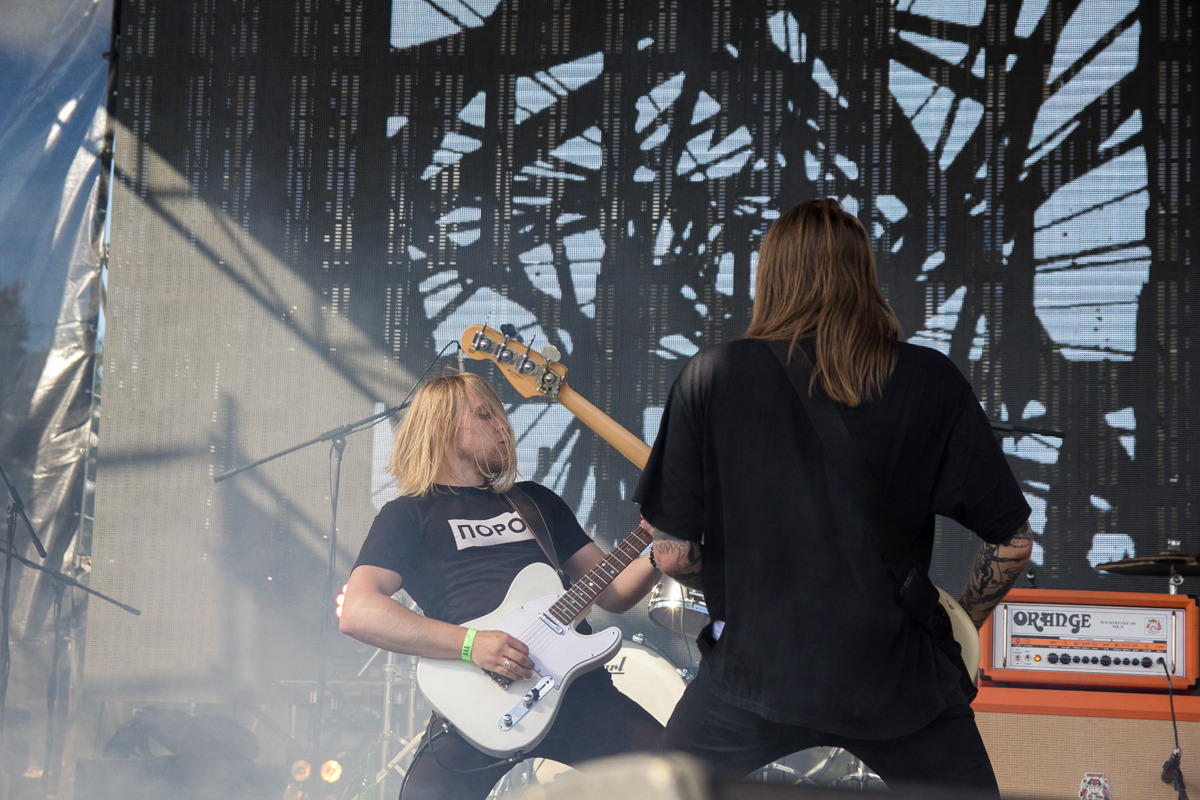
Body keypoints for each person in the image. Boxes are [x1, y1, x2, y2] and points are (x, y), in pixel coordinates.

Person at [634, 198, 1033, 796]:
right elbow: (1012, 544)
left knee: (662, 791)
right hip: (896, 682)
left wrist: (733, 588)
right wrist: (959, 623)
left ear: (771, 276)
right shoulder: (931, 380)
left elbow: (672, 554)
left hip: (754, 677)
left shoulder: (711, 376)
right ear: (862, 276)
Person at [339, 372, 664, 800]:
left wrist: (660, 553)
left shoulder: (535, 500)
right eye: (484, 415)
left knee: (682, 778)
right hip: (479, 698)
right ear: (441, 425)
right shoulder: (409, 514)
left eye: (500, 415)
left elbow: (614, 592)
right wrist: (472, 644)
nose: (503, 427)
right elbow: (358, 611)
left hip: (578, 693)